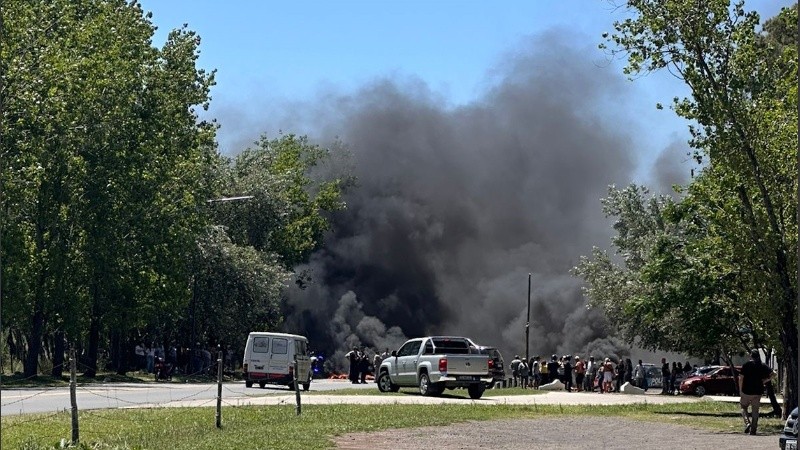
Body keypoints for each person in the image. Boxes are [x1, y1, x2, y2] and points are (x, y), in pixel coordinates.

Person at [739, 349, 773, 435]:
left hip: (746, 391)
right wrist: (765, 380)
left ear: (751, 355)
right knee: (755, 411)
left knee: (743, 407)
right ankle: (753, 430)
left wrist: (740, 390)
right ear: (758, 356)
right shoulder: (762, 365)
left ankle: (747, 423)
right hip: (757, 392)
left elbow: (741, 378)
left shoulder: (746, 365)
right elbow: (774, 373)